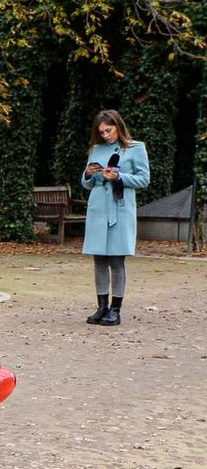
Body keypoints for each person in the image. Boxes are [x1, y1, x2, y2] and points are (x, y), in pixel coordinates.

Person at [81, 109, 150, 327]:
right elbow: (86, 183)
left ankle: (115, 309)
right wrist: (89, 174)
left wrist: (119, 176)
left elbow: (144, 179)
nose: (105, 135)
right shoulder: (95, 149)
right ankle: (101, 306)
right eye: (101, 132)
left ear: (118, 126)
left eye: (109, 130)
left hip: (120, 207)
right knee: (99, 258)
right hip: (98, 208)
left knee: (117, 258)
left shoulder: (136, 148)